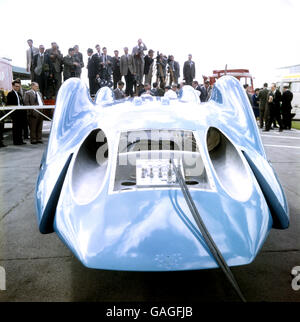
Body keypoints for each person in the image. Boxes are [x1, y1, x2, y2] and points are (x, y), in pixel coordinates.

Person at [6, 80, 27, 145]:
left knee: (20, 128)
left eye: (19, 86)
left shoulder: (19, 94)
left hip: (21, 113)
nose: (17, 87)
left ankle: (20, 140)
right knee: (16, 128)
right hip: (15, 113)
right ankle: (16, 141)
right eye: (16, 86)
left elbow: (22, 103)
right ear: (13, 86)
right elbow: (8, 104)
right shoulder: (10, 94)